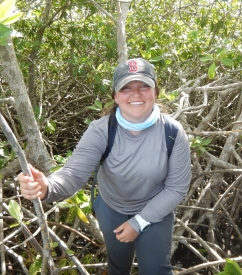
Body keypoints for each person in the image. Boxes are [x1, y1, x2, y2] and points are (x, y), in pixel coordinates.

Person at [18, 58, 192, 275]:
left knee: (156, 270)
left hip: (156, 209)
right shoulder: (101, 130)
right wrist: (46, 188)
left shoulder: (173, 132)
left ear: (155, 93)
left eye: (144, 86)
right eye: (126, 87)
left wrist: (138, 223)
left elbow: (176, 188)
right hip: (112, 209)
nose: (136, 94)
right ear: (116, 96)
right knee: (118, 268)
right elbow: (73, 173)